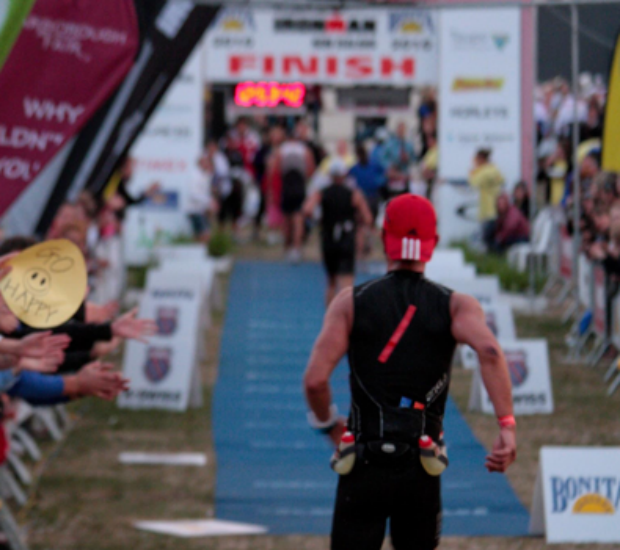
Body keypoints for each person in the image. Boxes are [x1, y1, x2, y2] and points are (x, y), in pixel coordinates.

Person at [303, 194, 516, 550]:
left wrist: (329, 424)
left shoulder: (350, 302)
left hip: (363, 459)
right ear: (433, 244)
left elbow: (314, 380)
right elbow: (491, 352)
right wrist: (506, 427)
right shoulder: (455, 305)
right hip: (421, 462)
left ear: (386, 238)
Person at [302, 160, 372, 306]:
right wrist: (358, 221)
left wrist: (318, 219)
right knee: (347, 285)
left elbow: (307, 209)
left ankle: (330, 319)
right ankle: (345, 320)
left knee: (331, 282)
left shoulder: (322, 193)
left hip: (328, 239)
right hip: (346, 239)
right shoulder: (353, 194)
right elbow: (368, 218)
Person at [269, 130, 315, 263]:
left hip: (288, 185)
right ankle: (296, 248)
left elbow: (275, 170)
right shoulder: (304, 150)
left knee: (288, 219)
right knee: (297, 219)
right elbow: (311, 169)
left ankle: (288, 247)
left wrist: (273, 190)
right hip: (298, 185)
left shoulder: (281, 150)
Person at [468, 148, 505, 249]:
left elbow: (473, 182)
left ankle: (494, 261)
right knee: (490, 239)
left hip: (488, 211)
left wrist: (473, 171)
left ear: (481, 159)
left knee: (488, 242)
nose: (474, 162)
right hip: (494, 210)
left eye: (476, 160)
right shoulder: (494, 169)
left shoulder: (485, 172)